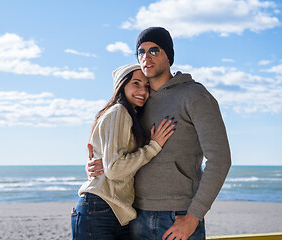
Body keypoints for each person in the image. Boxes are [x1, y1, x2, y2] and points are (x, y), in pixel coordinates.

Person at [86, 27, 232, 240]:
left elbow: (220, 159)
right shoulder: (136, 104)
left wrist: (193, 217)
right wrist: (95, 164)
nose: (146, 57)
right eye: (141, 52)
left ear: (169, 56)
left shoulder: (195, 95)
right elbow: (114, 147)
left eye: (154, 50)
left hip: (178, 217)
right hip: (135, 217)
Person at [71, 64, 176, 239]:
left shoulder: (128, 115)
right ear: (122, 85)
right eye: (136, 83)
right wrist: (154, 146)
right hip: (101, 209)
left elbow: (107, 162)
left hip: (112, 212)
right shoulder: (119, 111)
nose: (143, 90)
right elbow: (115, 169)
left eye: (147, 86)